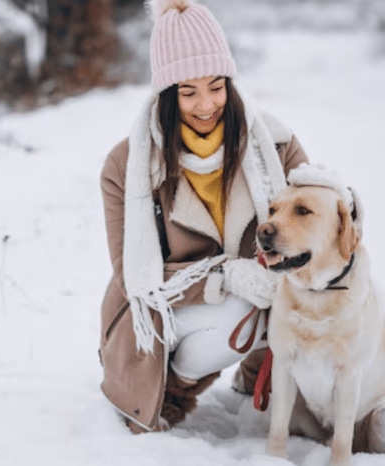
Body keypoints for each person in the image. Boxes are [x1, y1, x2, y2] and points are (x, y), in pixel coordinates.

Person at [98, 0, 311, 433]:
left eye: (216, 86)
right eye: (187, 91)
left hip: (259, 300)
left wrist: (342, 203)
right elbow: (133, 275)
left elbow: (312, 222)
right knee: (240, 306)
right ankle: (171, 389)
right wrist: (224, 276)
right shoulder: (126, 165)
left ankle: (258, 380)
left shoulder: (275, 144)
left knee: (297, 290)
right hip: (158, 317)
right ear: (165, 94)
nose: (206, 105)